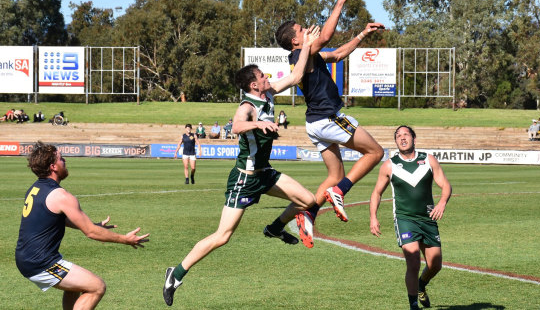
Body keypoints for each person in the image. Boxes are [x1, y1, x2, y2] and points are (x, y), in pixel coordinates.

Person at [162, 25, 321, 306]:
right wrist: (258, 123)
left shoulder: (269, 93)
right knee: (222, 236)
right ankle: (176, 274)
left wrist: (306, 43)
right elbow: (236, 125)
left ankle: (274, 228)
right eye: (262, 76)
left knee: (308, 200)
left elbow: (297, 75)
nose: (266, 77)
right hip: (244, 179)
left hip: (266, 174)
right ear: (252, 85)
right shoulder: (246, 106)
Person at [276, 0, 385, 232]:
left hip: (315, 124)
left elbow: (336, 54)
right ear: (295, 40)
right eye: (302, 30)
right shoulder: (302, 53)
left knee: (334, 174)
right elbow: (325, 37)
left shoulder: (305, 56)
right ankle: (340, 192)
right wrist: (341, 0)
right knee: (375, 153)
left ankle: (306, 216)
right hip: (328, 117)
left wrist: (362, 34)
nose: (307, 31)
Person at [15, 142, 149, 310]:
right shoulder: (61, 196)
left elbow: (55, 218)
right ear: (53, 166)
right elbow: (91, 233)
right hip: (40, 263)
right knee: (97, 287)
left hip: (26, 258)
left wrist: (91, 225)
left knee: (77, 286)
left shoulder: (35, 188)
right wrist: (125, 239)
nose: (65, 161)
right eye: (61, 158)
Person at [369, 126, 452, 310]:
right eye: (398, 136)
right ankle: (413, 304)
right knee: (413, 261)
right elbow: (376, 193)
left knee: (435, 264)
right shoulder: (389, 165)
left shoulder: (428, 160)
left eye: (406, 134)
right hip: (404, 219)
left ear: (414, 138)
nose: (402, 138)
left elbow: (445, 185)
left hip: (428, 218)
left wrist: (442, 203)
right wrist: (373, 217)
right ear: (396, 141)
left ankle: (422, 285)